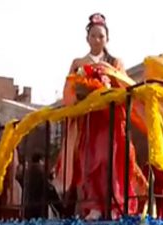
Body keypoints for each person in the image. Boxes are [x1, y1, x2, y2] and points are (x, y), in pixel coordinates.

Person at [53, 13, 147, 220]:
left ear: (107, 39)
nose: (97, 40)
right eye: (93, 36)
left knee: (111, 161)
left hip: (110, 120)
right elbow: (68, 90)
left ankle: (115, 203)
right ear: (87, 38)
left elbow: (124, 86)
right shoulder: (79, 63)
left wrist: (107, 86)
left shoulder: (114, 62)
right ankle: (93, 205)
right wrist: (79, 97)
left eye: (101, 36)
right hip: (89, 120)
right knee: (89, 162)